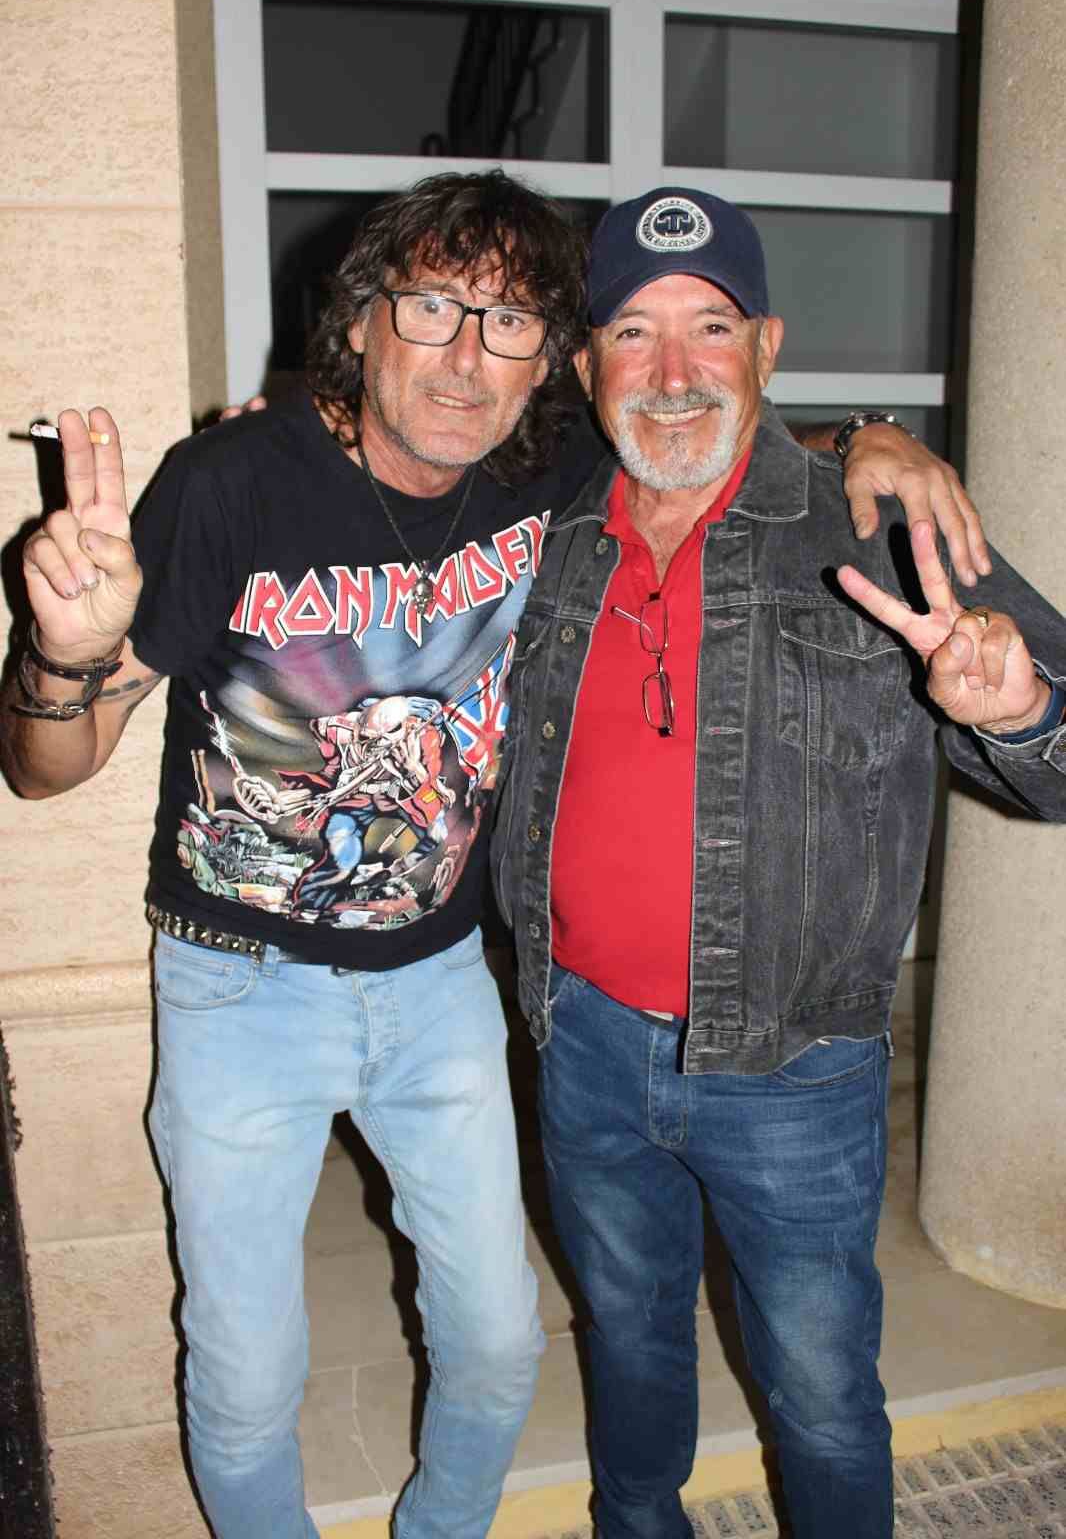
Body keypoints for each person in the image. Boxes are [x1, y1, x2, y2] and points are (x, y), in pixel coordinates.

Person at [2, 168, 990, 1539]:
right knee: (244, 1373)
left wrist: (878, 439)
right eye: (433, 309)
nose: (468, 359)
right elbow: (45, 769)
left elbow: (701, 418)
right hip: (240, 990)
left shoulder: (549, 467)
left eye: (513, 325)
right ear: (360, 322)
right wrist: (61, 654)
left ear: (549, 367)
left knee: (497, 1346)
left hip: (440, 985)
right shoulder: (225, 484)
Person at [491, 185, 1066, 1539]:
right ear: (585, 368)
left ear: (765, 345)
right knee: (625, 1340)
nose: (675, 370)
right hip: (578, 1038)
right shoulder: (549, 533)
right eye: (632, 333)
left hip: (797, 1066)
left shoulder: (880, 528)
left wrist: (1020, 714)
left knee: (814, 1390)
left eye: (711, 326)